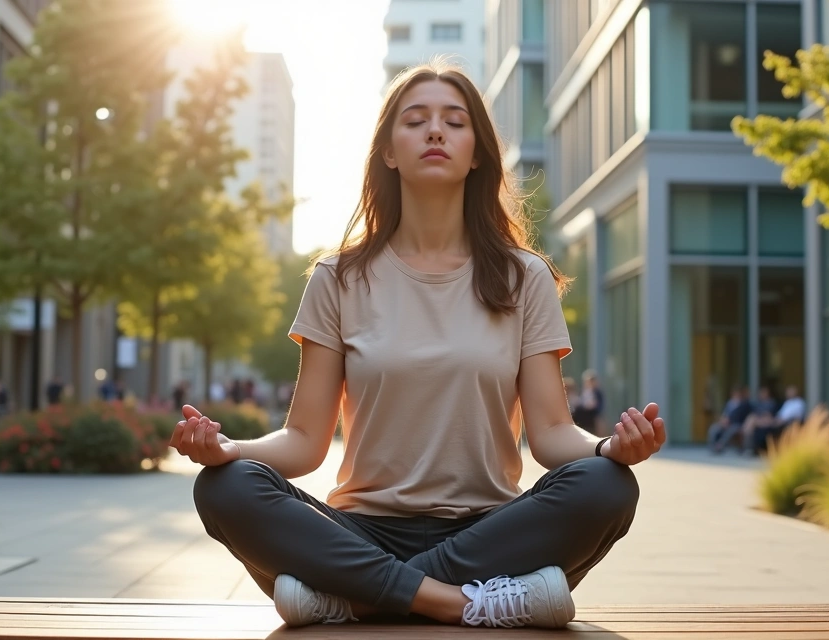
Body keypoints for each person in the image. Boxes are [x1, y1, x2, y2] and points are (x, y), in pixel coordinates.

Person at [172, 62, 666, 631]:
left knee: (605, 486)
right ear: (388, 150)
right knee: (227, 487)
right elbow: (306, 441)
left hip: (488, 531)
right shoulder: (337, 278)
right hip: (361, 529)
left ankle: (355, 598)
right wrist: (227, 450)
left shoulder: (524, 277)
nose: (435, 132)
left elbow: (553, 436)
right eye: (416, 121)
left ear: (477, 151)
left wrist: (609, 449)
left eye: (454, 122)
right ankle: (467, 604)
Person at [743, 385, 806, 455]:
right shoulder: (787, 402)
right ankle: (750, 446)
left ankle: (748, 446)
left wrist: (776, 420)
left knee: (753, 420)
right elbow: (780, 414)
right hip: (777, 419)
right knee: (752, 418)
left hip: (784, 423)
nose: (788, 393)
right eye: (788, 392)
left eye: (791, 392)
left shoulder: (799, 403)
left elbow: (794, 416)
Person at [707, 385, 752, 454]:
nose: (736, 395)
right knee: (714, 428)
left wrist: (729, 421)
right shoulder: (729, 403)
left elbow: (741, 417)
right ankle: (712, 446)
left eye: (738, 393)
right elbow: (724, 414)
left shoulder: (745, 404)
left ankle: (720, 446)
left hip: (737, 424)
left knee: (731, 430)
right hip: (726, 423)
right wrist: (723, 420)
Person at [572, 370, 604, 435]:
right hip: (582, 416)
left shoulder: (597, 392)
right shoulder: (583, 391)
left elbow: (598, 406)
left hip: (592, 417)